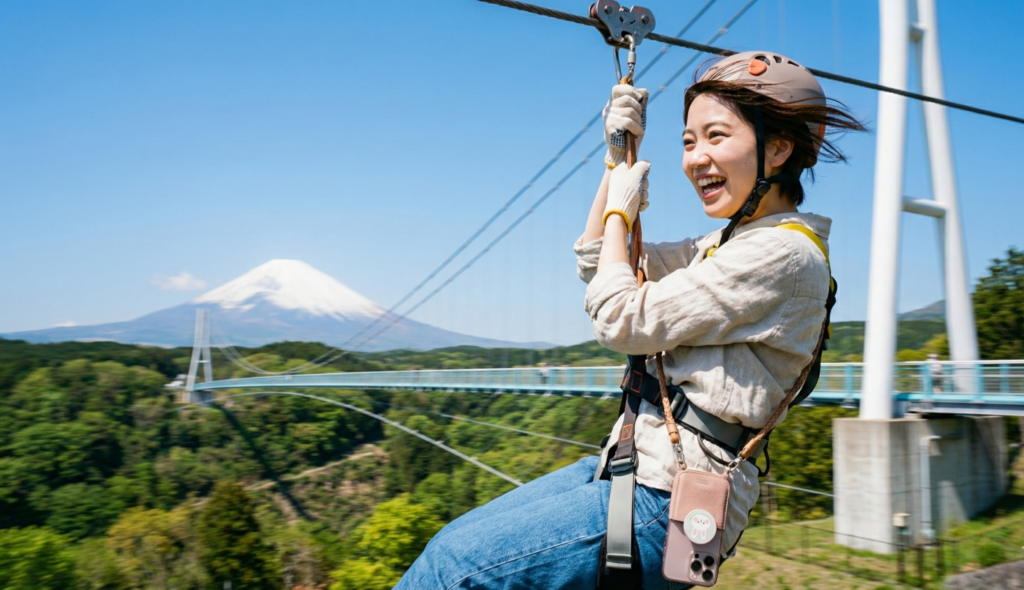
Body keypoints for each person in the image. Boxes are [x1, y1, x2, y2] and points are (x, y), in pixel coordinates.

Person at [394, 51, 865, 590]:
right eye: (689, 142)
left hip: (670, 497)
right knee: (448, 549)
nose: (695, 158)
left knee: (452, 568)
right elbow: (599, 263)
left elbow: (620, 318)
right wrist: (614, 164)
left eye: (716, 137)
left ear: (779, 148)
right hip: (638, 467)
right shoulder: (725, 245)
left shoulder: (781, 256)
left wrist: (623, 209)